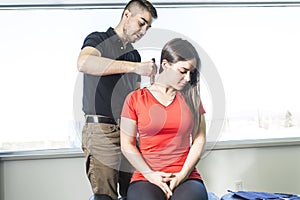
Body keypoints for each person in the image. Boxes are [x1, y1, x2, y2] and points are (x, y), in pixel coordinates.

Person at [77, 1, 157, 200]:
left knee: (137, 191)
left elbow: (135, 97)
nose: (143, 31)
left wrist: (156, 87)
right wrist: (134, 68)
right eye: (141, 23)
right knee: (106, 196)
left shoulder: (134, 54)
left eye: (148, 27)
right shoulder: (98, 39)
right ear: (127, 15)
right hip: (101, 130)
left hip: (128, 132)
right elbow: (84, 63)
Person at [120, 38, 208, 200]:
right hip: (146, 177)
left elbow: (199, 139)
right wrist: (151, 175)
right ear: (166, 65)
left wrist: (181, 175)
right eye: (183, 71)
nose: (188, 78)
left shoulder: (192, 98)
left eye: (191, 73)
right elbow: (127, 143)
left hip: (186, 176)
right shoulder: (135, 99)